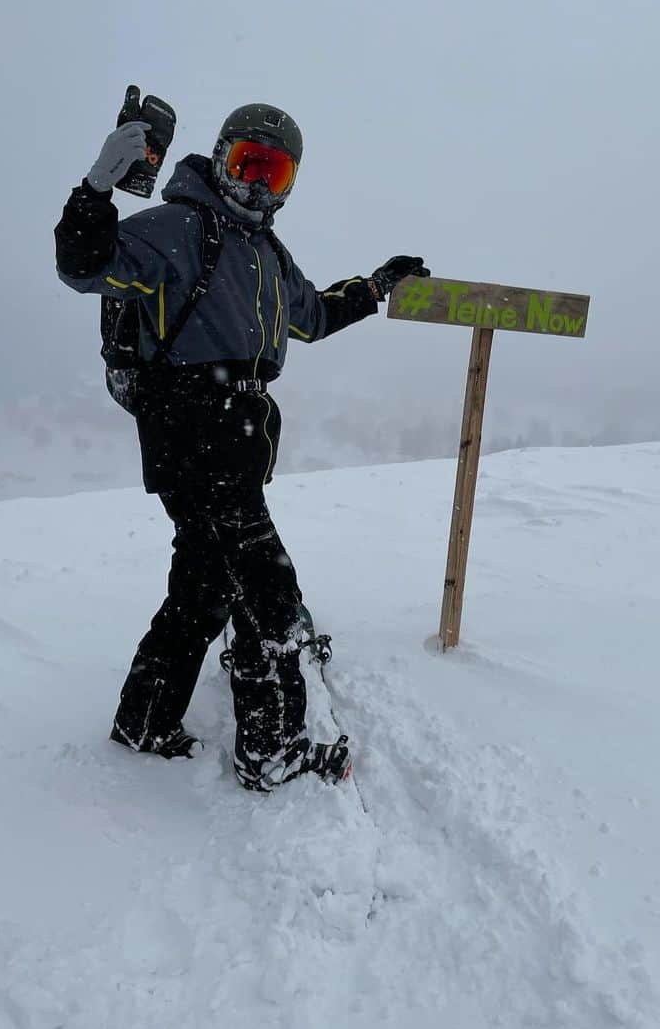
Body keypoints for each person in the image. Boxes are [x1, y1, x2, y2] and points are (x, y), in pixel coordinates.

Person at [54, 102, 427, 791]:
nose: (256, 185)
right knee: (269, 589)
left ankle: (144, 720)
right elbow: (85, 267)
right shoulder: (178, 227)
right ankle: (271, 749)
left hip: (231, 436)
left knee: (204, 584)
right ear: (221, 158)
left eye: (273, 172)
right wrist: (94, 190)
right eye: (245, 165)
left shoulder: (265, 255)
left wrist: (375, 287)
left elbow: (311, 315)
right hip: (193, 431)